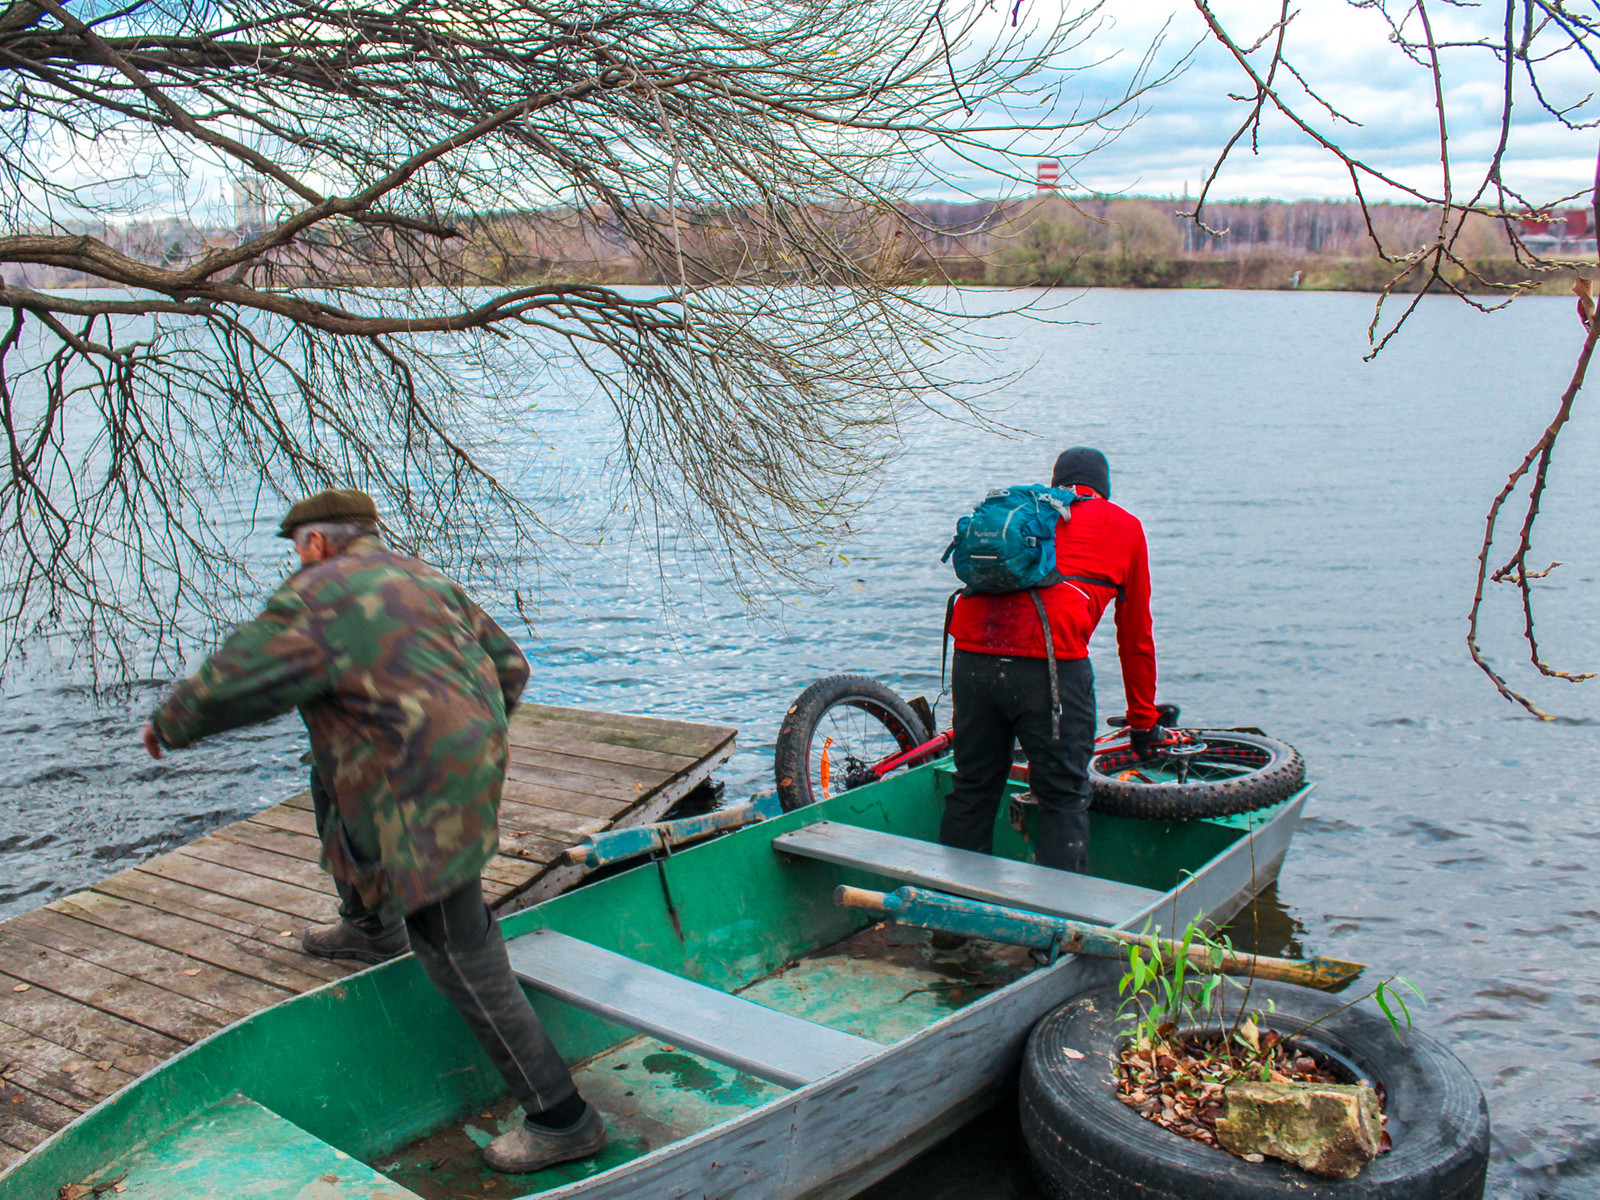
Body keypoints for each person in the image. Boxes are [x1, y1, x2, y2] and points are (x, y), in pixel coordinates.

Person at [140, 488, 605, 1174]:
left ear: (318, 543)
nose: (299, 560)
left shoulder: (316, 596)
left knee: (457, 946)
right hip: (466, 763)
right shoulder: (424, 576)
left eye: (300, 548)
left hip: (419, 796)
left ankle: (562, 1118)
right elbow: (511, 667)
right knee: (330, 773)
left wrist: (170, 723)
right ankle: (368, 924)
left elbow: (238, 678)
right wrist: (460, 735)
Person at [941, 447, 1159, 874]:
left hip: (973, 656)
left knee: (972, 785)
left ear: (1056, 482)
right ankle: (1055, 937)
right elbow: (1135, 636)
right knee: (1062, 795)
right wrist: (1143, 720)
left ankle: (949, 926)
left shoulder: (1030, 512)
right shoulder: (1124, 526)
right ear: (1104, 488)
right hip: (1050, 666)